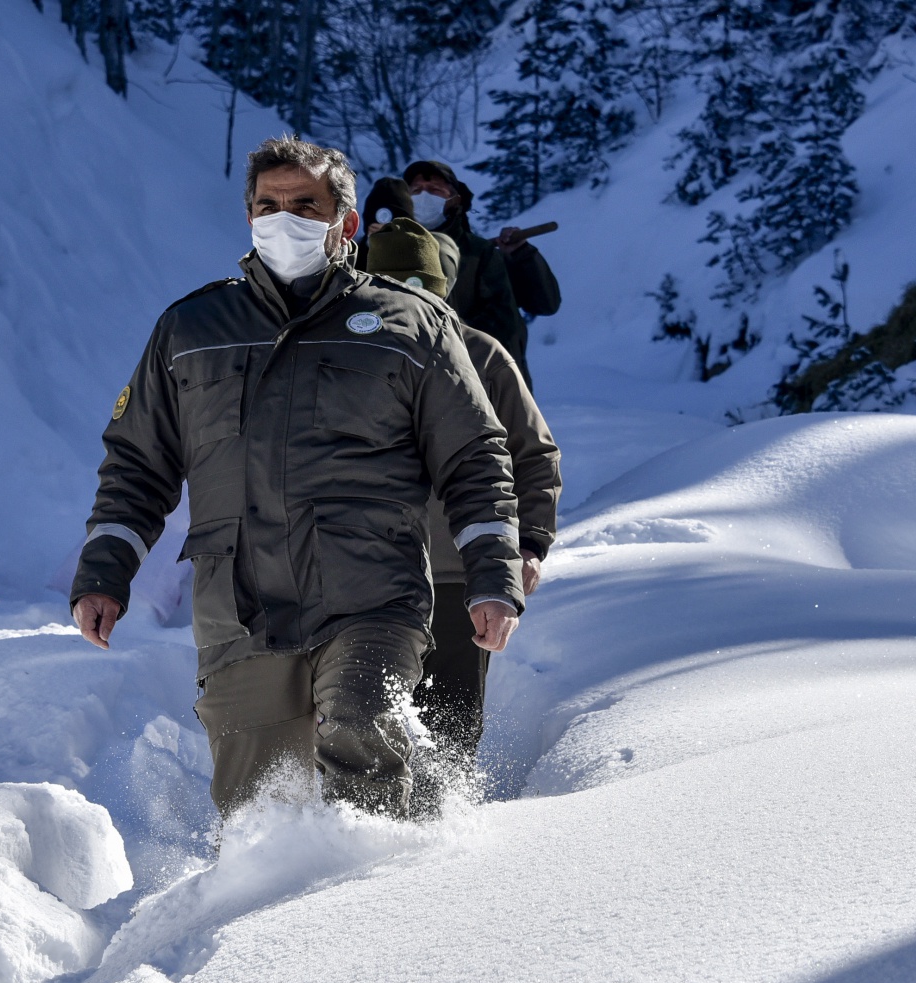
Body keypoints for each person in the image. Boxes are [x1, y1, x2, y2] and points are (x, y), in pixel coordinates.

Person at [69, 137, 525, 821]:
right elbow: (139, 459)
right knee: (259, 811)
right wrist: (106, 569)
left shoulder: (411, 325)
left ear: (344, 223)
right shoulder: (191, 330)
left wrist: (494, 572)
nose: (283, 219)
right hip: (240, 607)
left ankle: (376, 916)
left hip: (373, 594)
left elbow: (476, 456)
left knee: (362, 732)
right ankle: (267, 927)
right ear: (248, 217)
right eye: (268, 206)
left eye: (304, 205)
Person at [363, 218, 561, 813]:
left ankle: (443, 851)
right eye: (395, 282)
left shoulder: (481, 355)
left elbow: (532, 453)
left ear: (443, 285)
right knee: (365, 722)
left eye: (422, 281)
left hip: (456, 573)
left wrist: (526, 547)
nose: (412, 295)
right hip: (361, 575)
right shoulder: (342, 353)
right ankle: (368, 847)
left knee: (447, 728)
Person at [402, 160, 562, 389]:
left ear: (455, 198)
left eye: (435, 190)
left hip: (492, 391)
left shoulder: (482, 256)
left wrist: (522, 256)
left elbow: (544, 304)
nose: (424, 197)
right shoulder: (388, 257)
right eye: (416, 191)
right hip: (419, 397)